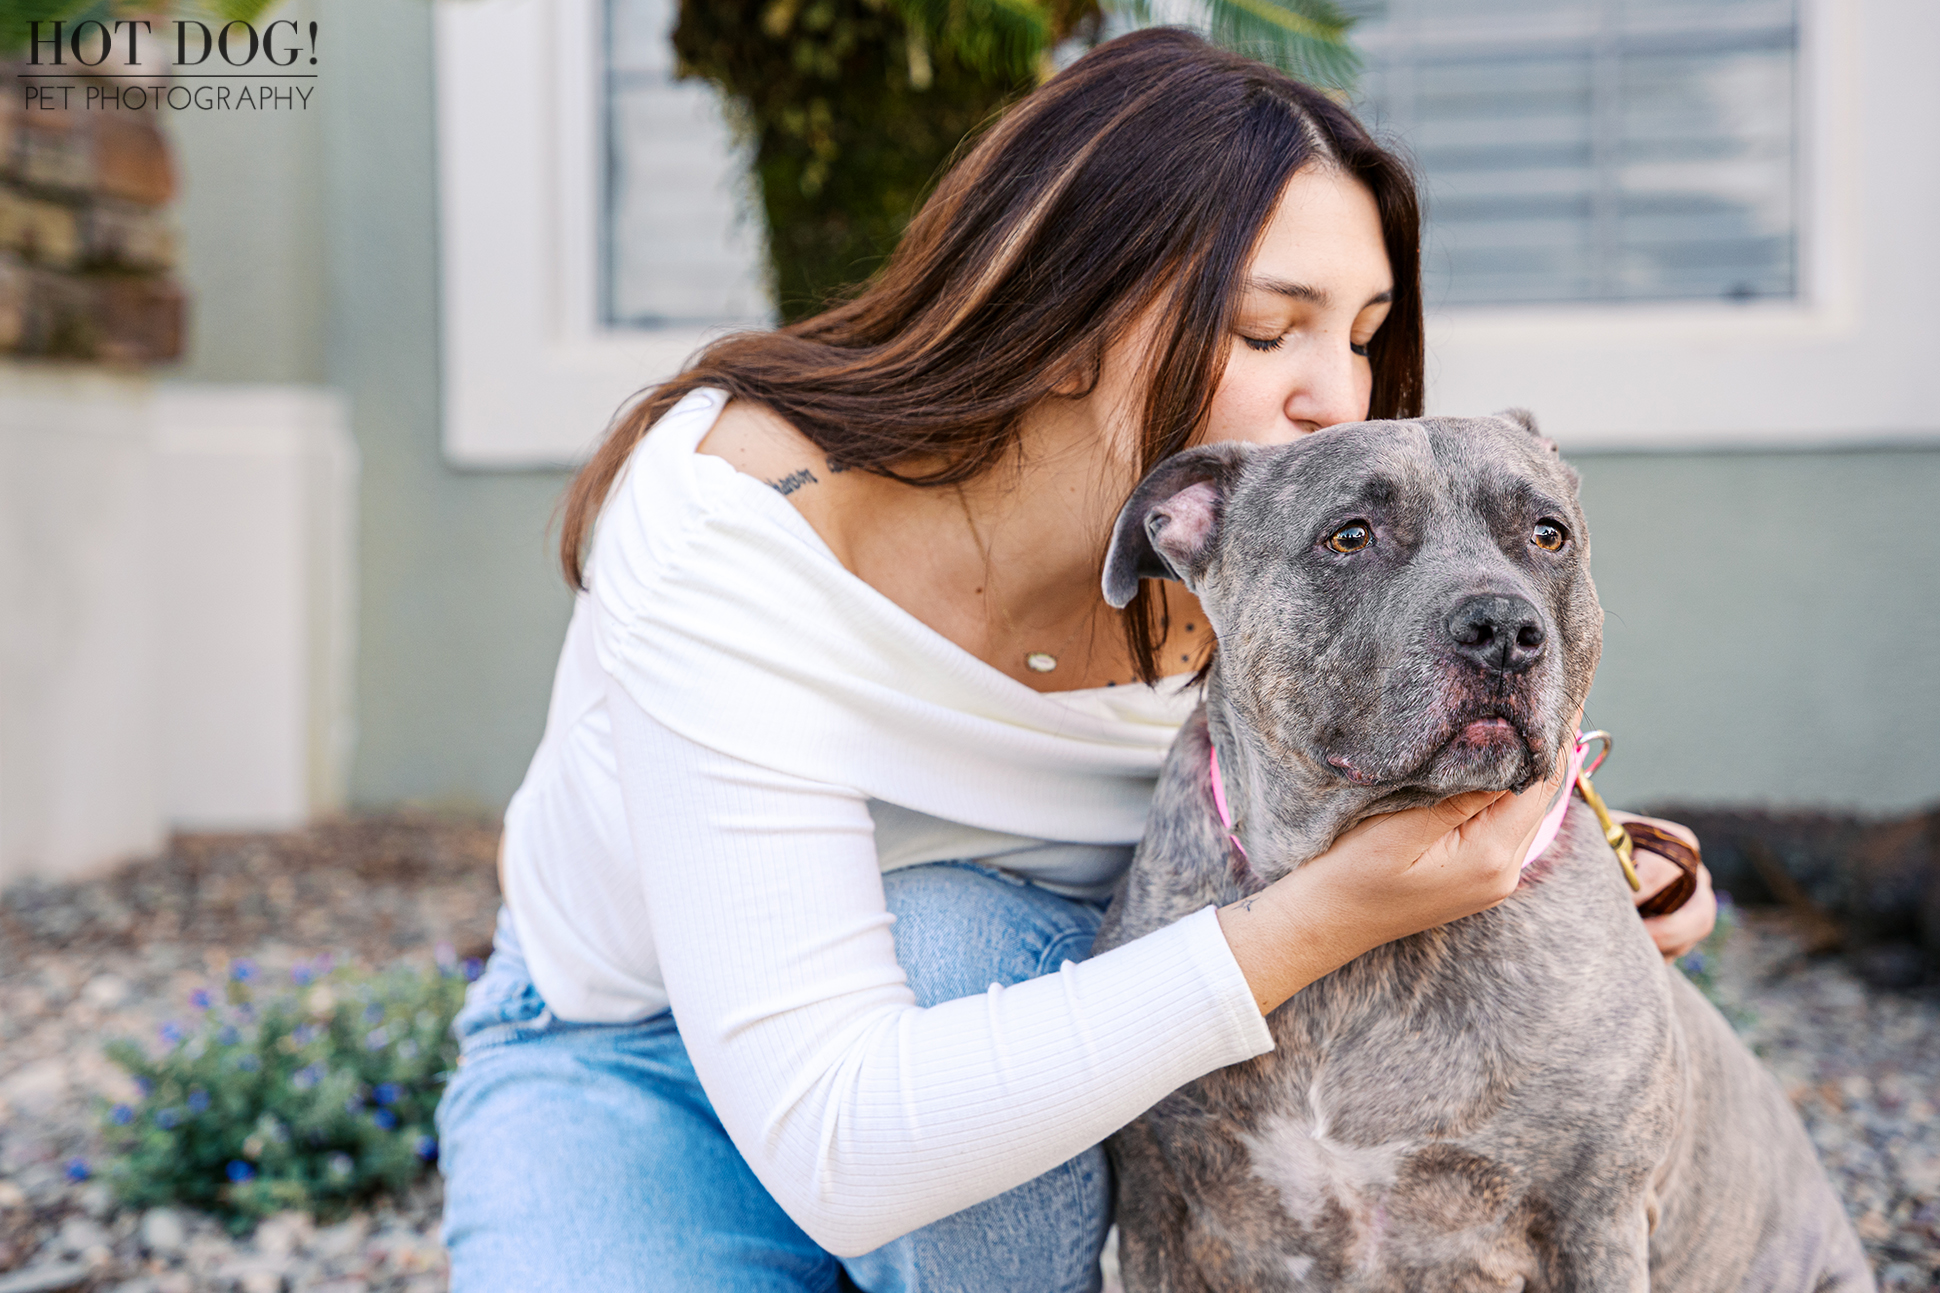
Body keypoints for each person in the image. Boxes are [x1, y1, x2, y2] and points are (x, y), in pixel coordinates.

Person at [435, 28, 1716, 1293]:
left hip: (994, 1023)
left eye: (1364, 332)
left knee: (956, 942)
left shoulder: (1276, 570)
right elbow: (836, 1145)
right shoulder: (735, 522)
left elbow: (1370, 753)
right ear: (1059, 321)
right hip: (629, 1057)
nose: (1340, 395)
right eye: (1271, 332)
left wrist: (1565, 865)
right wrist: (1324, 915)